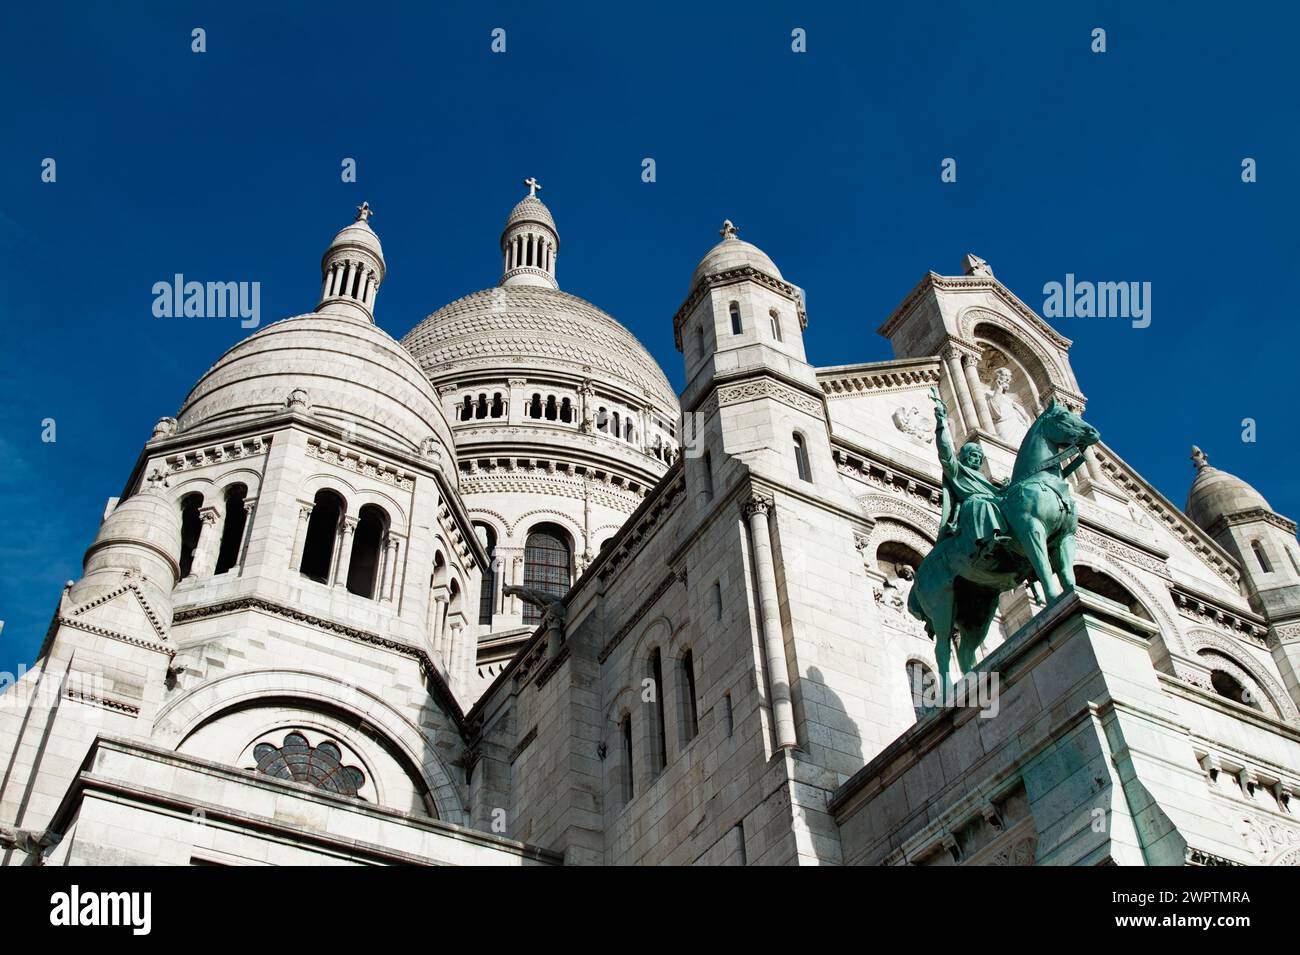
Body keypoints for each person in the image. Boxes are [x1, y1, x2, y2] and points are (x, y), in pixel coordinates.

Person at [930, 389, 1009, 553]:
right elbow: (945, 450)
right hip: (974, 506)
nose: (976, 459)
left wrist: (1008, 488)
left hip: (993, 502)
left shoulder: (984, 479)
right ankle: (990, 539)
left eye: (979, 457)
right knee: (983, 504)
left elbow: (997, 494)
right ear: (964, 456)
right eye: (973, 455)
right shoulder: (957, 470)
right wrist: (941, 423)